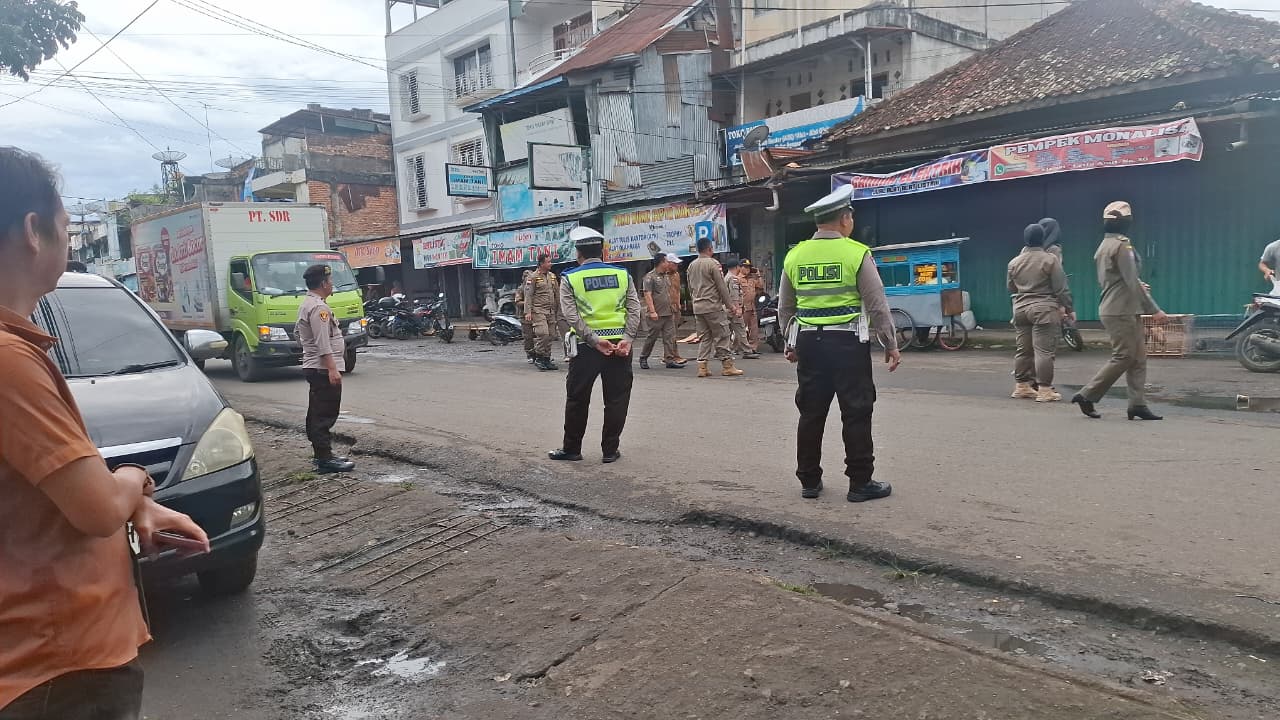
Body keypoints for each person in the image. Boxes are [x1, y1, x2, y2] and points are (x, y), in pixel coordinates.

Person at [0, 146, 209, 719]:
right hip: (56, 664)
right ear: (32, 232)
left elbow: (55, 493)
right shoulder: (8, 361)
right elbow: (94, 509)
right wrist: (135, 479)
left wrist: (133, 506)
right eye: (67, 228)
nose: (70, 241)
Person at [779, 184, 900, 502]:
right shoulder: (856, 253)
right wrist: (890, 343)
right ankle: (860, 483)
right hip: (847, 343)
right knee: (856, 412)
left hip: (809, 344)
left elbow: (786, 308)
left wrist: (790, 343)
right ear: (845, 219)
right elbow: (877, 304)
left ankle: (809, 481)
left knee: (811, 412)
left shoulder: (795, 256)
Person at [548, 227, 641, 464]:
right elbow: (634, 309)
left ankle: (572, 449)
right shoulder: (623, 275)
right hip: (619, 347)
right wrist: (627, 339)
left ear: (578, 252)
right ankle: (610, 451)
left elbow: (571, 316)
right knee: (617, 399)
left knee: (577, 398)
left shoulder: (570, 278)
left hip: (586, 348)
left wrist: (594, 340)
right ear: (603, 251)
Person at [1072, 201, 1167, 421]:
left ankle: (1137, 404)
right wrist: (1154, 309)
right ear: (1127, 222)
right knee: (1124, 356)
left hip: (1120, 307)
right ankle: (1088, 394)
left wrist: (1138, 287)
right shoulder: (1122, 246)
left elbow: (1122, 279)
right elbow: (1131, 280)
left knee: (1138, 358)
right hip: (1120, 309)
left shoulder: (1104, 246)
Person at [297, 264, 356, 472]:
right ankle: (325, 459)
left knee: (317, 411)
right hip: (322, 369)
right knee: (325, 413)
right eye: (330, 281)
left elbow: (300, 335)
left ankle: (321, 454)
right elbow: (323, 342)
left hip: (315, 367)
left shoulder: (309, 303)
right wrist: (332, 369)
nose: (332, 285)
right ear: (323, 283)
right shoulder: (319, 308)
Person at [1007, 223, 1073, 402]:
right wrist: (1069, 309)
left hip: (1020, 309)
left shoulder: (1014, 262)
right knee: (1043, 351)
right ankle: (1044, 389)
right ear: (1042, 239)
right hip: (1043, 309)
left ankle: (1022, 387)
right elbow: (1061, 288)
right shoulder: (1050, 259)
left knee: (1023, 350)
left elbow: (1011, 287)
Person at [686, 238, 744, 378]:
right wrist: (731, 306)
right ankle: (727, 366)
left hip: (698, 307)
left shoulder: (691, 266)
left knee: (705, 337)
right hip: (712, 306)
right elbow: (721, 287)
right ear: (710, 249)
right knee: (722, 335)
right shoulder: (713, 264)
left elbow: (689, 287)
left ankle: (702, 366)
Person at [638, 252, 685, 370]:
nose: (667, 263)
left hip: (668, 312)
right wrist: (652, 311)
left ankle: (669, 359)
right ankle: (643, 357)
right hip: (657, 314)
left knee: (669, 337)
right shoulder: (650, 277)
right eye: (666, 261)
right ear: (660, 262)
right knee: (651, 337)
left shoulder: (666, 276)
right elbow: (647, 295)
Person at [524, 254, 560, 371]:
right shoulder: (533, 277)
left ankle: (546, 358)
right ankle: (538, 357)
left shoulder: (552, 276)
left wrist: (560, 309)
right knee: (543, 334)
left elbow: (557, 294)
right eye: (548, 262)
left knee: (551, 335)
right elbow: (528, 296)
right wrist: (527, 312)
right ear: (541, 264)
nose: (550, 264)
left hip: (551, 311)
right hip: (538, 310)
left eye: (550, 261)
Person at [723, 258, 752, 359]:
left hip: (726, 308)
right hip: (733, 309)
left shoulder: (726, 277)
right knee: (741, 329)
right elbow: (734, 295)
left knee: (727, 332)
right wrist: (738, 308)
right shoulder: (733, 278)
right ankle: (747, 351)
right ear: (737, 267)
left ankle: (720, 351)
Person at [740, 259, 764, 356]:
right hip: (742, 307)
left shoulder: (752, 279)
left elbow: (761, 287)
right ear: (740, 267)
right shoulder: (737, 278)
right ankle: (737, 348)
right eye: (745, 267)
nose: (747, 269)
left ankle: (753, 348)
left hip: (752, 306)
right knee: (740, 329)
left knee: (754, 329)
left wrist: (758, 275)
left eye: (749, 267)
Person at [517, 268, 536, 363]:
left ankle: (540, 354)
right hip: (525, 316)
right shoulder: (521, 289)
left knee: (540, 335)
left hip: (536, 315)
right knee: (528, 337)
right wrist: (527, 303)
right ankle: (530, 354)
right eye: (526, 277)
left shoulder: (535, 287)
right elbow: (518, 301)